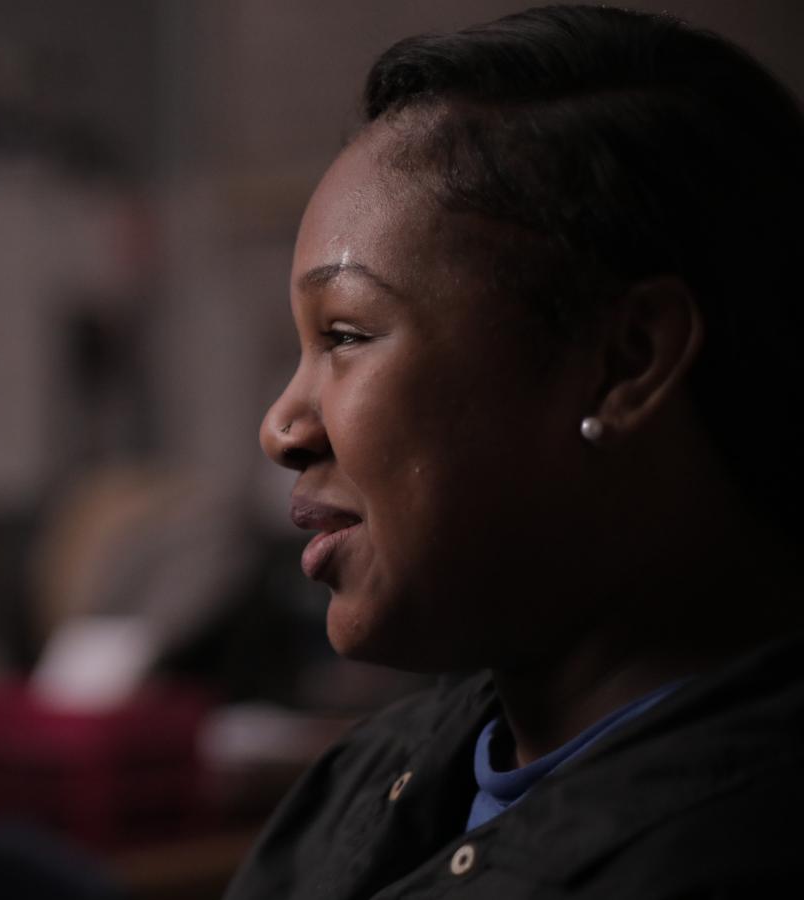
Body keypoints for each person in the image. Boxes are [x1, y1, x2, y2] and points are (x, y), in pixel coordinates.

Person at [227, 6, 804, 898]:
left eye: (343, 335)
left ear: (627, 361)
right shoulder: (365, 782)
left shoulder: (735, 850)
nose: (282, 427)